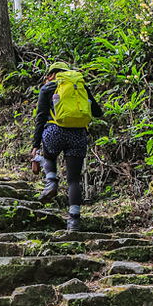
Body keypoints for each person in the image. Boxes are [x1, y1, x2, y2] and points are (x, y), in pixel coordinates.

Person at [31, 60, 102, 232]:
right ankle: (74, 221)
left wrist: (35, 146)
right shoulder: (80, 86)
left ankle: (51, 182)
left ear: (51, 75)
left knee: (48, 154)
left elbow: (41, 118)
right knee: (73, 180)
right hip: (78, 135)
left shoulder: (47, 88)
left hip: (55, 131)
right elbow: (98, 112)